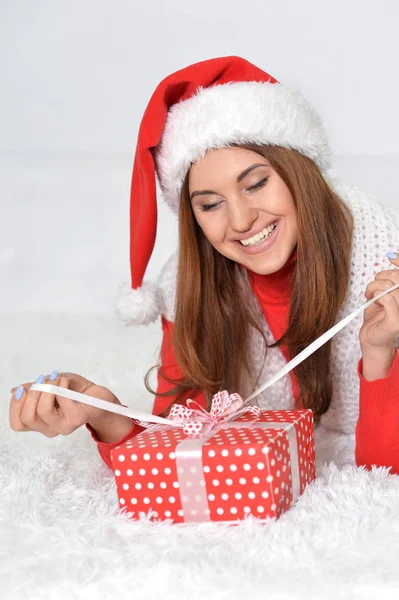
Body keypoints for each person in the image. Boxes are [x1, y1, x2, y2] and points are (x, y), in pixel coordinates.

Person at [9, 56, 399, 475]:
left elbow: (384, 482)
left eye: (256, 184)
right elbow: (178, 454)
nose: (241, 220)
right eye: (210, 204)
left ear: (299, 174)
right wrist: (103, 413)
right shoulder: (188, 289)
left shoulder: (382, 263)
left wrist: (380, 356)